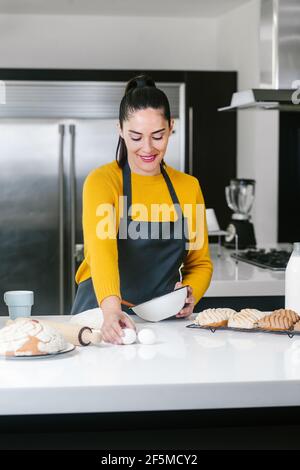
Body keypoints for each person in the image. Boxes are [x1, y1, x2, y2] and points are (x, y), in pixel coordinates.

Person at [71, 74, 213, 344]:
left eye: (157, 136)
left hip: (163, 325)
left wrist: (192, 291)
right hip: (100, 317)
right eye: (136, 137)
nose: (147, 148)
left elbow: (200, 262)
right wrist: (111, 310)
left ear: (171, 127)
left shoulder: (188, 187)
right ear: (120, 130)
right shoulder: (103, 182)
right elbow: (101, 251)